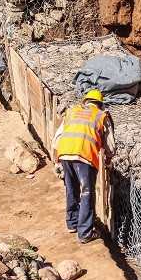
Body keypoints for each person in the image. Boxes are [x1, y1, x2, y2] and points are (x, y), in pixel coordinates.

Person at [52, 89, 115, 243]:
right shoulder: (101, 115)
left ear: (85, 101)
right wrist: (108, 161)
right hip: (84, 155)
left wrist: (57, 160)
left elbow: (57, 137)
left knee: (71, 187)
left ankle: (72, 223)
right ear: (100, 104)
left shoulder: (72, 111)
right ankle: (85, 232)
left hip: (65, 152)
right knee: (87, 192)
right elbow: (110, 147)